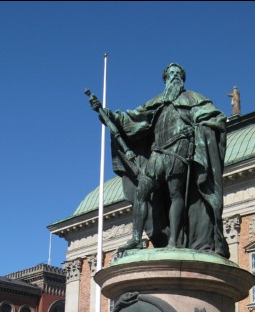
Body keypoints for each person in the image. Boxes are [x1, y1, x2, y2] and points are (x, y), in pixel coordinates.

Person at [88, 63, 229, 258]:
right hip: (157, 153)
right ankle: (137, 239)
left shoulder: (194, 99)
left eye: (178, 74)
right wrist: (108, 114)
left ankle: (174, 242)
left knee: (176, 194)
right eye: (171, 74)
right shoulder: (157, 102)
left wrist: (197, 131)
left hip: (179, 151)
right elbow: (132, 119)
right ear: (165, 79)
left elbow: (214, 119)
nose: (175, 76)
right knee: (142, 192)